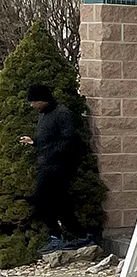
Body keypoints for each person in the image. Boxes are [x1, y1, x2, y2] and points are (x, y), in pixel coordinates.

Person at [20, 85, 89, 252]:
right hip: (47, 164)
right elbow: (48, 138)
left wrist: (51, 153)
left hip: (59, 166)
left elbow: (69, 140)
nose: (32, 105)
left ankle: (65, 236)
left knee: (46, 201)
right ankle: (74, 236)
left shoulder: (62, 113)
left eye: (34, 102)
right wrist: (34, 142)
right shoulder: (44, 114)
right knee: (54, 202)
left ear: (43, 100)